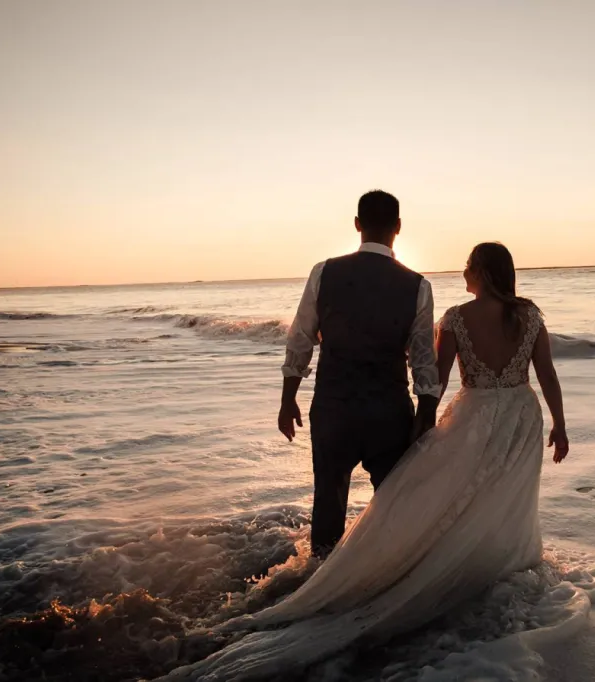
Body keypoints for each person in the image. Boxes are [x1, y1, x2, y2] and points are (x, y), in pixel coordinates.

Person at [161, 241, 570, 681]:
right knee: (505, 495)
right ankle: (496, 564)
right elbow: (545, 374)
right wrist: (560, 426)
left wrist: (424, 419)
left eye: (469, 267)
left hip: (471, 416)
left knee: (451, 492)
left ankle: (382, 562)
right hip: (522, 415)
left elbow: (436, 375)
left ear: (483, 273)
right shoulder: (529, 316)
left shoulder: (456, 318)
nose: (463, 273)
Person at [278, 189, 441, 559]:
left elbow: (300, 338)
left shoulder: (324, 272)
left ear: (356, 224)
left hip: (334, 407)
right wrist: (426, 412)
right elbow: (423, 359)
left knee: (328, 502)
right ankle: (388, 577)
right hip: (388, 411)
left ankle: (319, 580)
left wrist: (288, 399)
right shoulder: (418, 286)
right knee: (393, 503)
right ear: (398, 227)